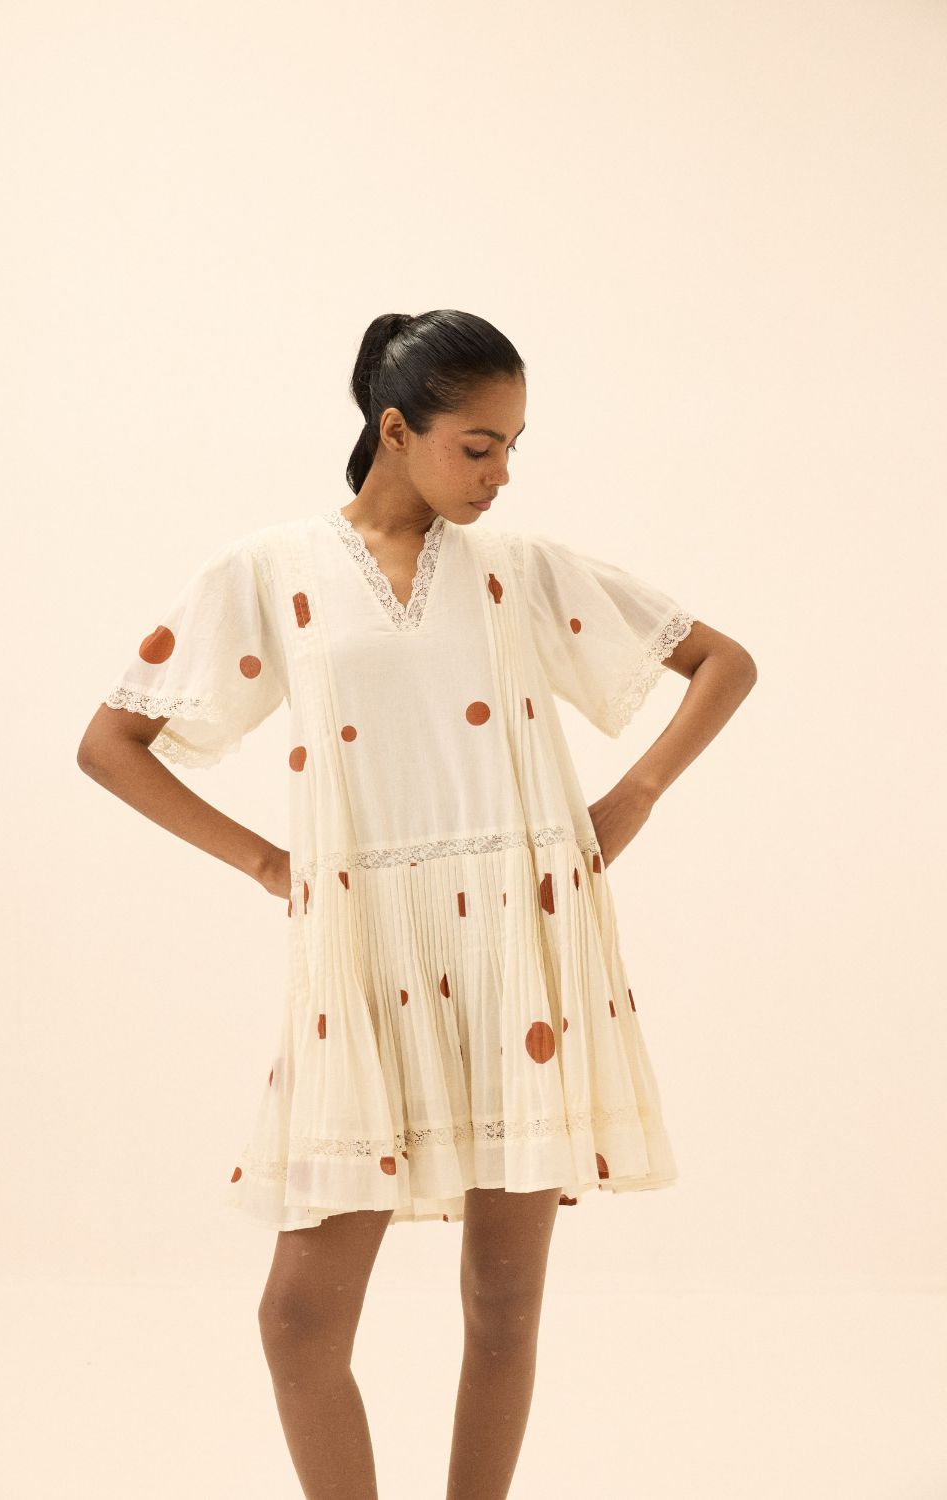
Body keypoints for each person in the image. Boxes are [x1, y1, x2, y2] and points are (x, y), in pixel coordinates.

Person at [77, 308, 757, 1500]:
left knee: (503, 1298)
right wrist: (269, 865)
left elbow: (721, 662)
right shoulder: (271, 571)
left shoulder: (522, 570)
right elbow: (111, 743)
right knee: (298, 1320)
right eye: (478, 446)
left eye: (513, 446)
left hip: (518, 946)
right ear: (394, 430)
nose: (502, 474)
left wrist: (632, 798)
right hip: (363, 956)